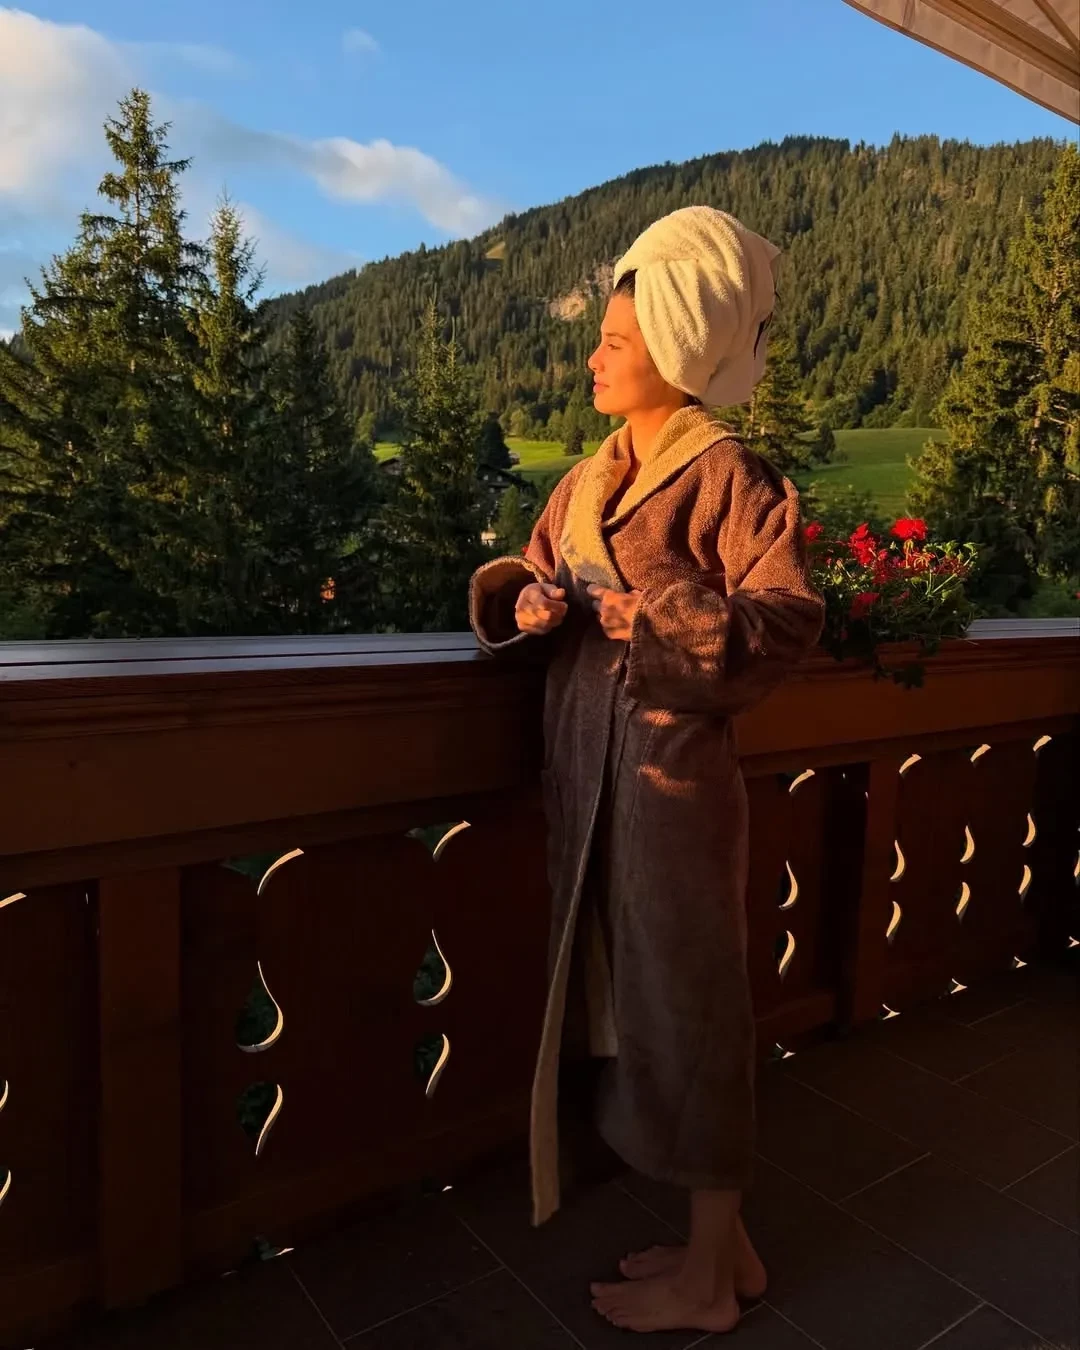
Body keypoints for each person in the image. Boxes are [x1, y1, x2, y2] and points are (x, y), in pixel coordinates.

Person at [468, 206, 825, 1335]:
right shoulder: (583, 481)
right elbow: (529, 573)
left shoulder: (729, 478)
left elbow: (787, 619)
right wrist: (527, 602)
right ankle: (730, 1251)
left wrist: (658, 619)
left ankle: (708, 1284)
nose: (593, 357)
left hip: (673, 783)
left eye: (614, 341)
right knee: (629, 1001)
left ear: (673, 351)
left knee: (691, 1010)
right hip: (587, 781)